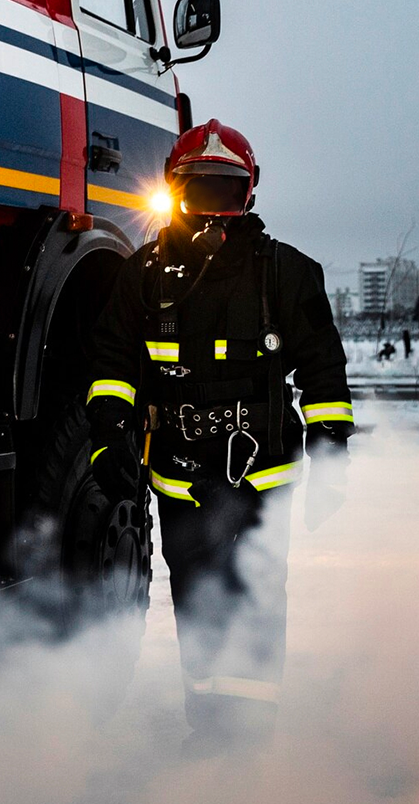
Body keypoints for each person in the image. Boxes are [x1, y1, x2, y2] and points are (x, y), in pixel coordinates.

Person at [85, 119, 353, 752]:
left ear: (248, 194)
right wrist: (107, 434)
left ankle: (250, 735)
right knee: (197, 593)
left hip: (264, 469)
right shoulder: (142, 275)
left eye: (222, 189)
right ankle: (208, 725)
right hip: (179, 471)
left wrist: (332, 450)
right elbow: (112, 362)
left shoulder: (287, 273)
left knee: (257, 591)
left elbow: (322, 367)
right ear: (176, 192)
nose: (210, 206)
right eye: (198, 188)